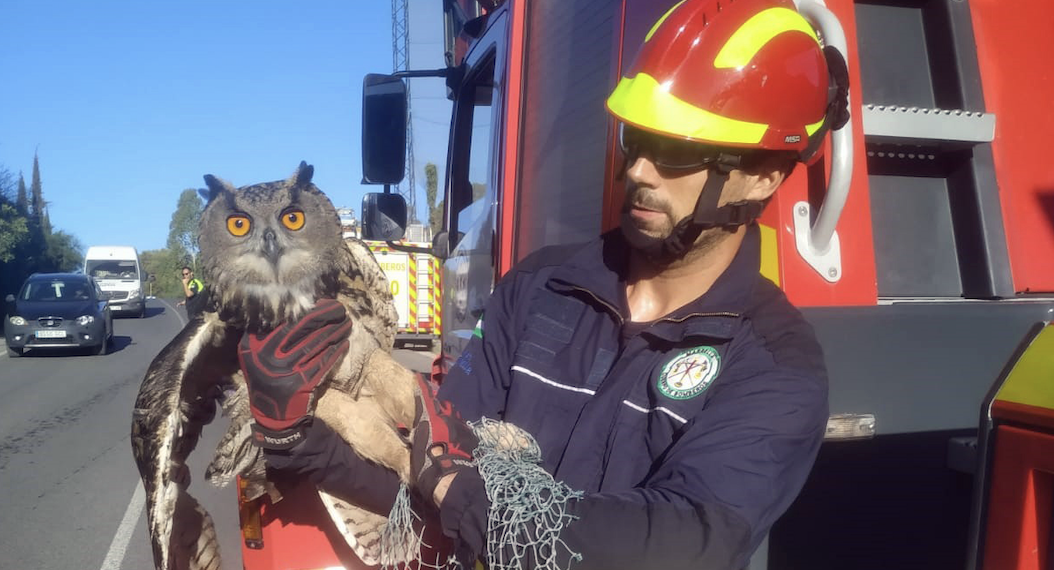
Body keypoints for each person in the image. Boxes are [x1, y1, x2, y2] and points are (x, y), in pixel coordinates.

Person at [240, 0, 849, 567]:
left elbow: (683, 539)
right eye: (633, 138)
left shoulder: (774, 366)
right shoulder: (538, 289)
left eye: (676, 151)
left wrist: (460, 493)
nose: (637, 170)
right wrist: (299, 440)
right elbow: (429, 473)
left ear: (764, 176)